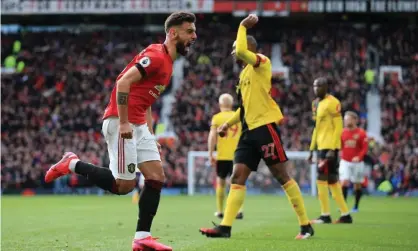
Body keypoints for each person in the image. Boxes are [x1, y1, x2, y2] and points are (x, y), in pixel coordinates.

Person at [44, 12, 197, 251]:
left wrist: (150, 135)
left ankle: (142, 238)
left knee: (156, 176)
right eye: (189, 31)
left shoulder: (169, 62)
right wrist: (125, 123)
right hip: (120, 122)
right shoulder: (157, 56)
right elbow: (123, 83)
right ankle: (72, 164)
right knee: (123, 186)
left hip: (139, 124)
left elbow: (145, 100)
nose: (194, 36)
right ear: (173, 32)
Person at [199, 14, 314, 240]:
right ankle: (225, 227)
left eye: (235, 47)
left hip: (264, 128)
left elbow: (242, 50)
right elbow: (243, 108)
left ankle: (305, 225)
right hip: (248, 132)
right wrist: (227, 124)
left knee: (282, 176)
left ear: (249, 47)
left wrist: (241, 26)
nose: (234, 52)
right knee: (237, 176)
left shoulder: (262, 62)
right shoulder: (243, 75)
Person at [308, 77, 353, 224]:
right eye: (314, 86)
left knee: (321, 180)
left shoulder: (333, 102)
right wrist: (311, 149)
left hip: (329, 148)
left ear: (326, 87)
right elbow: (317, 128)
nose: (316, 89)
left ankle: (325, 215)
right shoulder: (315, 104)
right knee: (332, 181)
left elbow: (338, 126)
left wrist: (334, 148)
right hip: (321, 147)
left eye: (319, 86)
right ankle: (345, 214)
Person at [209, 93, 243, 219]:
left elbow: (212, 137)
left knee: (221, 183)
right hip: (237, 155)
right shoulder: (237, 117)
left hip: (222, 156)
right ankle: (239, 211)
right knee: (237, 184)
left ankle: (219, 210)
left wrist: (210, 153)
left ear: (220, 104)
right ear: (231, 104)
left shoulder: (217, 118)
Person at [340, 111, 368, 212]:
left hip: (357, 163)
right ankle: (343, 206)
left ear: (354, 120)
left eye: (348, 119)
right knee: (344, 182)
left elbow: (364, 148)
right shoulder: (342, 132)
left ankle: (356, 206)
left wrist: (358, 157)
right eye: (345, 119)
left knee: (357, 184)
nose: (345, 121)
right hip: (345, 161)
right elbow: (341, 146)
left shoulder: (361, 133)